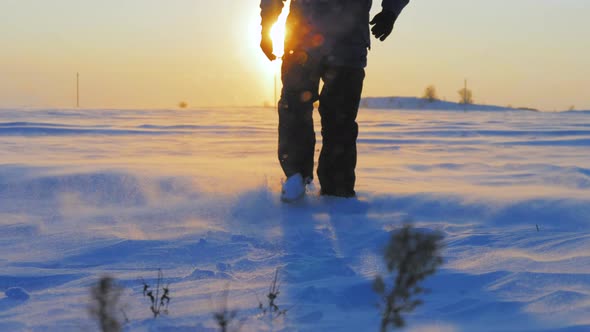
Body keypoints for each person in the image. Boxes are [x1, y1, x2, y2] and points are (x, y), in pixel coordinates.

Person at [260, 0, 410, 202]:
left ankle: (337, 189)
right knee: (296, 109)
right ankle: (296, 177)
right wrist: (267, 25)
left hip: (345, 46)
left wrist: (390, 12)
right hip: (304, 42)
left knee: (339, 119)